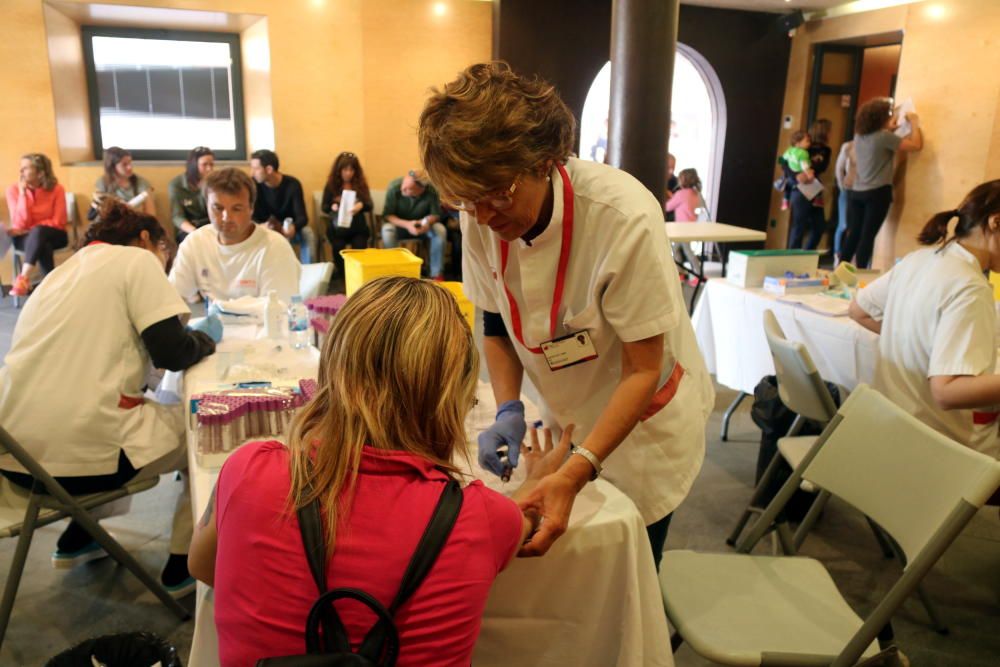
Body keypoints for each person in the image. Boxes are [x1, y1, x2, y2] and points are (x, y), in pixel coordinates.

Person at [418, 62, 714, 568]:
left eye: (498, 195)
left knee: (628, 572)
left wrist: (578, 471)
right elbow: (494, 323)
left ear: (545, 160)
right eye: (466, 202)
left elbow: (643, 369)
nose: (484, 217)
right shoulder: (481, 213)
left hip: (644, 430)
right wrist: (509, 407)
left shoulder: (622, 217)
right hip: (570, 410)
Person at [188, 277, 569, 666]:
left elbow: (202, 565)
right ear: (450, 396)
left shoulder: (249, 470)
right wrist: (538, 481)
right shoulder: (483, 517)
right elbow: (521, 519)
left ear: (333, 368)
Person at [0, 198, 217, 597]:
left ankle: (79, 536)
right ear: (147, 239)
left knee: (113, 417)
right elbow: (171, 352)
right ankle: (183, 562)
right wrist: (203, 342)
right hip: (81, 462)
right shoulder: (136, 260)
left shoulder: (58, 275)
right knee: (205, 427)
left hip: (18, 457)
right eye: (164, 254)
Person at [848, 180, 1000, 460]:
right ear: (995, 222)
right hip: (936, 450)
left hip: (889, 432)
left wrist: (922, 343)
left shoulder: (919, 258)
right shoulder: (970, 286)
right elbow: (947, 392)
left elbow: (858, 310)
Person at [169, 167, 300, 303]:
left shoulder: (274, 248)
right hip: (214, 323)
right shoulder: (195, 243)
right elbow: (174, 298)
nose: (226, 217)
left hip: (262, 323)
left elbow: (279, 311)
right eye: (218, 208)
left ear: (251, 209)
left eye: (237, 209)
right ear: (207, 206)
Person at [840, 97, 924, 268]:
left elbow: (880, 141)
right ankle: (861, 274)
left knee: (854, 234)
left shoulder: (860, 137)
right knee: (867, 236)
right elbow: (916, 145)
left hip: (857, 192)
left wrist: (891, 128)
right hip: (877, 193)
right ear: (881, 118)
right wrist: (914, 123)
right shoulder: (884, 137)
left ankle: (840, 271)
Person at [4, 153, 68, 296]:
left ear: (40, 172)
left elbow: (58, 221)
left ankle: (23, 277)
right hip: (25, 239)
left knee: (39, 233)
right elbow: (19, 223)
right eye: (21, 168)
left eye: (25, 168)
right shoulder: (13, 190)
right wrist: (22, 195)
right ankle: (51, 289)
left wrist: (32, 229)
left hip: (55, 234)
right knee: (43, 245)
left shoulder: (57, 189)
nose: (20, 172)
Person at [249, 149, 315, 264]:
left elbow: (302, 217)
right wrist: (261, 226)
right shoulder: (253, 185)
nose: (252, 173)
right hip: (265, 230)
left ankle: (307, 273)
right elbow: (250, 216)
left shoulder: (292, 184)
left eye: (256, 168)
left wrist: (293, 227)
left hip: (288, 229)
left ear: (269, 169)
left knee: (308, 233)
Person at [381, 170, 446, 280]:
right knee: (387, 230)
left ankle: (436, 274)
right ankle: (395, 274)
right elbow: (388, 215)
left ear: (421, 190)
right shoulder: (394, 187)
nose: (403, 189)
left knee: (440, 229)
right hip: (400, 226)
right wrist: (407, 225)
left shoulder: (431, 191)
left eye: (408, 189)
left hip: (422, 227)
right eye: (403, 186)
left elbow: (436, 214)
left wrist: (426, 223)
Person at [321, 151, 372, 289]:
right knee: (338, 247)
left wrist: (360, 205)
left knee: (360, 247)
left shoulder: (360, 184)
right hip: (338, 228)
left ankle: (358, 277)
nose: (348, 173)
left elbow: (369, 205)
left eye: (351, 169)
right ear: (339, 170)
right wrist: (333, 206)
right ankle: (344, 277)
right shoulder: (331, 185)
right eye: (345, 169)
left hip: (357, 227)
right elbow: (324, 207)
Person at [92, 147, 156, 218]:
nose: (130, 167)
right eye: (124, 164)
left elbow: (151, 215)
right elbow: (100, 215)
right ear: (112, 166)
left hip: (136, 224)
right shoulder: (102, 184)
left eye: (130, 163)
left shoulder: (142, 183)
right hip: (112, 224)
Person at [169, 146, 214, 244]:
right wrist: (195, 232)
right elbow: (177, 217)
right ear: (194, 165)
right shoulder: (177, 184)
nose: (209, 168)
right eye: (204, 165)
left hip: (210, 225)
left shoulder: (214, 182)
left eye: (211, 164)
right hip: (188, 228)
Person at [833, 139, 855, 263]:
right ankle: (837, 254)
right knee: (843, 224)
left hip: (860, 190)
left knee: (854, 226)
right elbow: (839, 168)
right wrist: (842, 187)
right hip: (847, 189)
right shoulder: (848, 146)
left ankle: (850, 257)